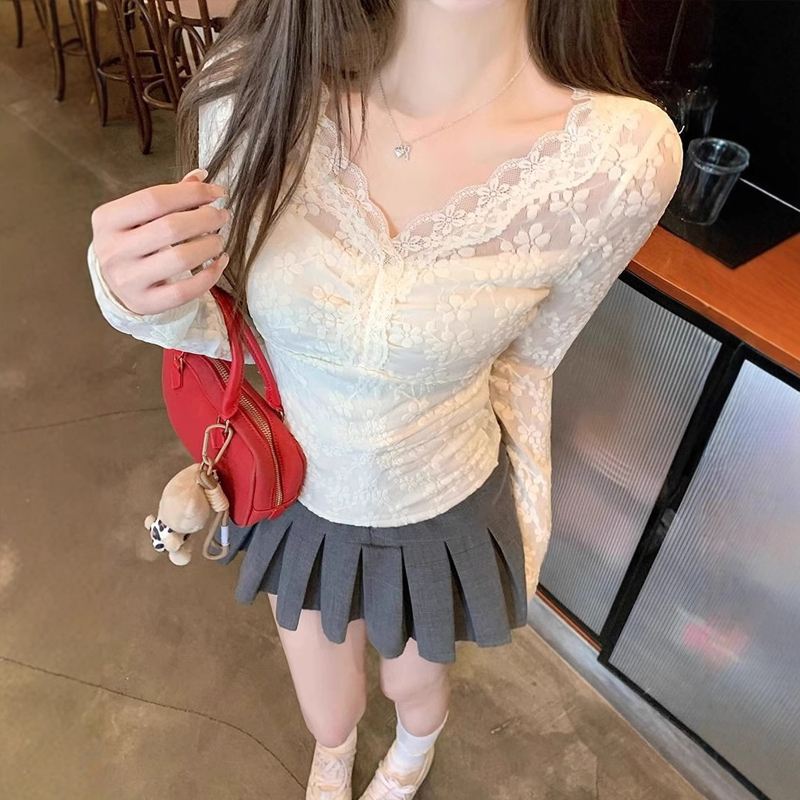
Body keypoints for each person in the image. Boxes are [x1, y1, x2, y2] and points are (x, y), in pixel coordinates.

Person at [86, 1, 683, 797]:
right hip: (297, 488)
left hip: (441, 502)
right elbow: (230, 324)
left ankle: (410, 754)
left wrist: (529, 517)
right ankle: (334, 756)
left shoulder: (622, 158)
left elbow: (529, 364)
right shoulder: (254, 87)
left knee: (416, 682)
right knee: (326, 701)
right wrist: (135, 292)